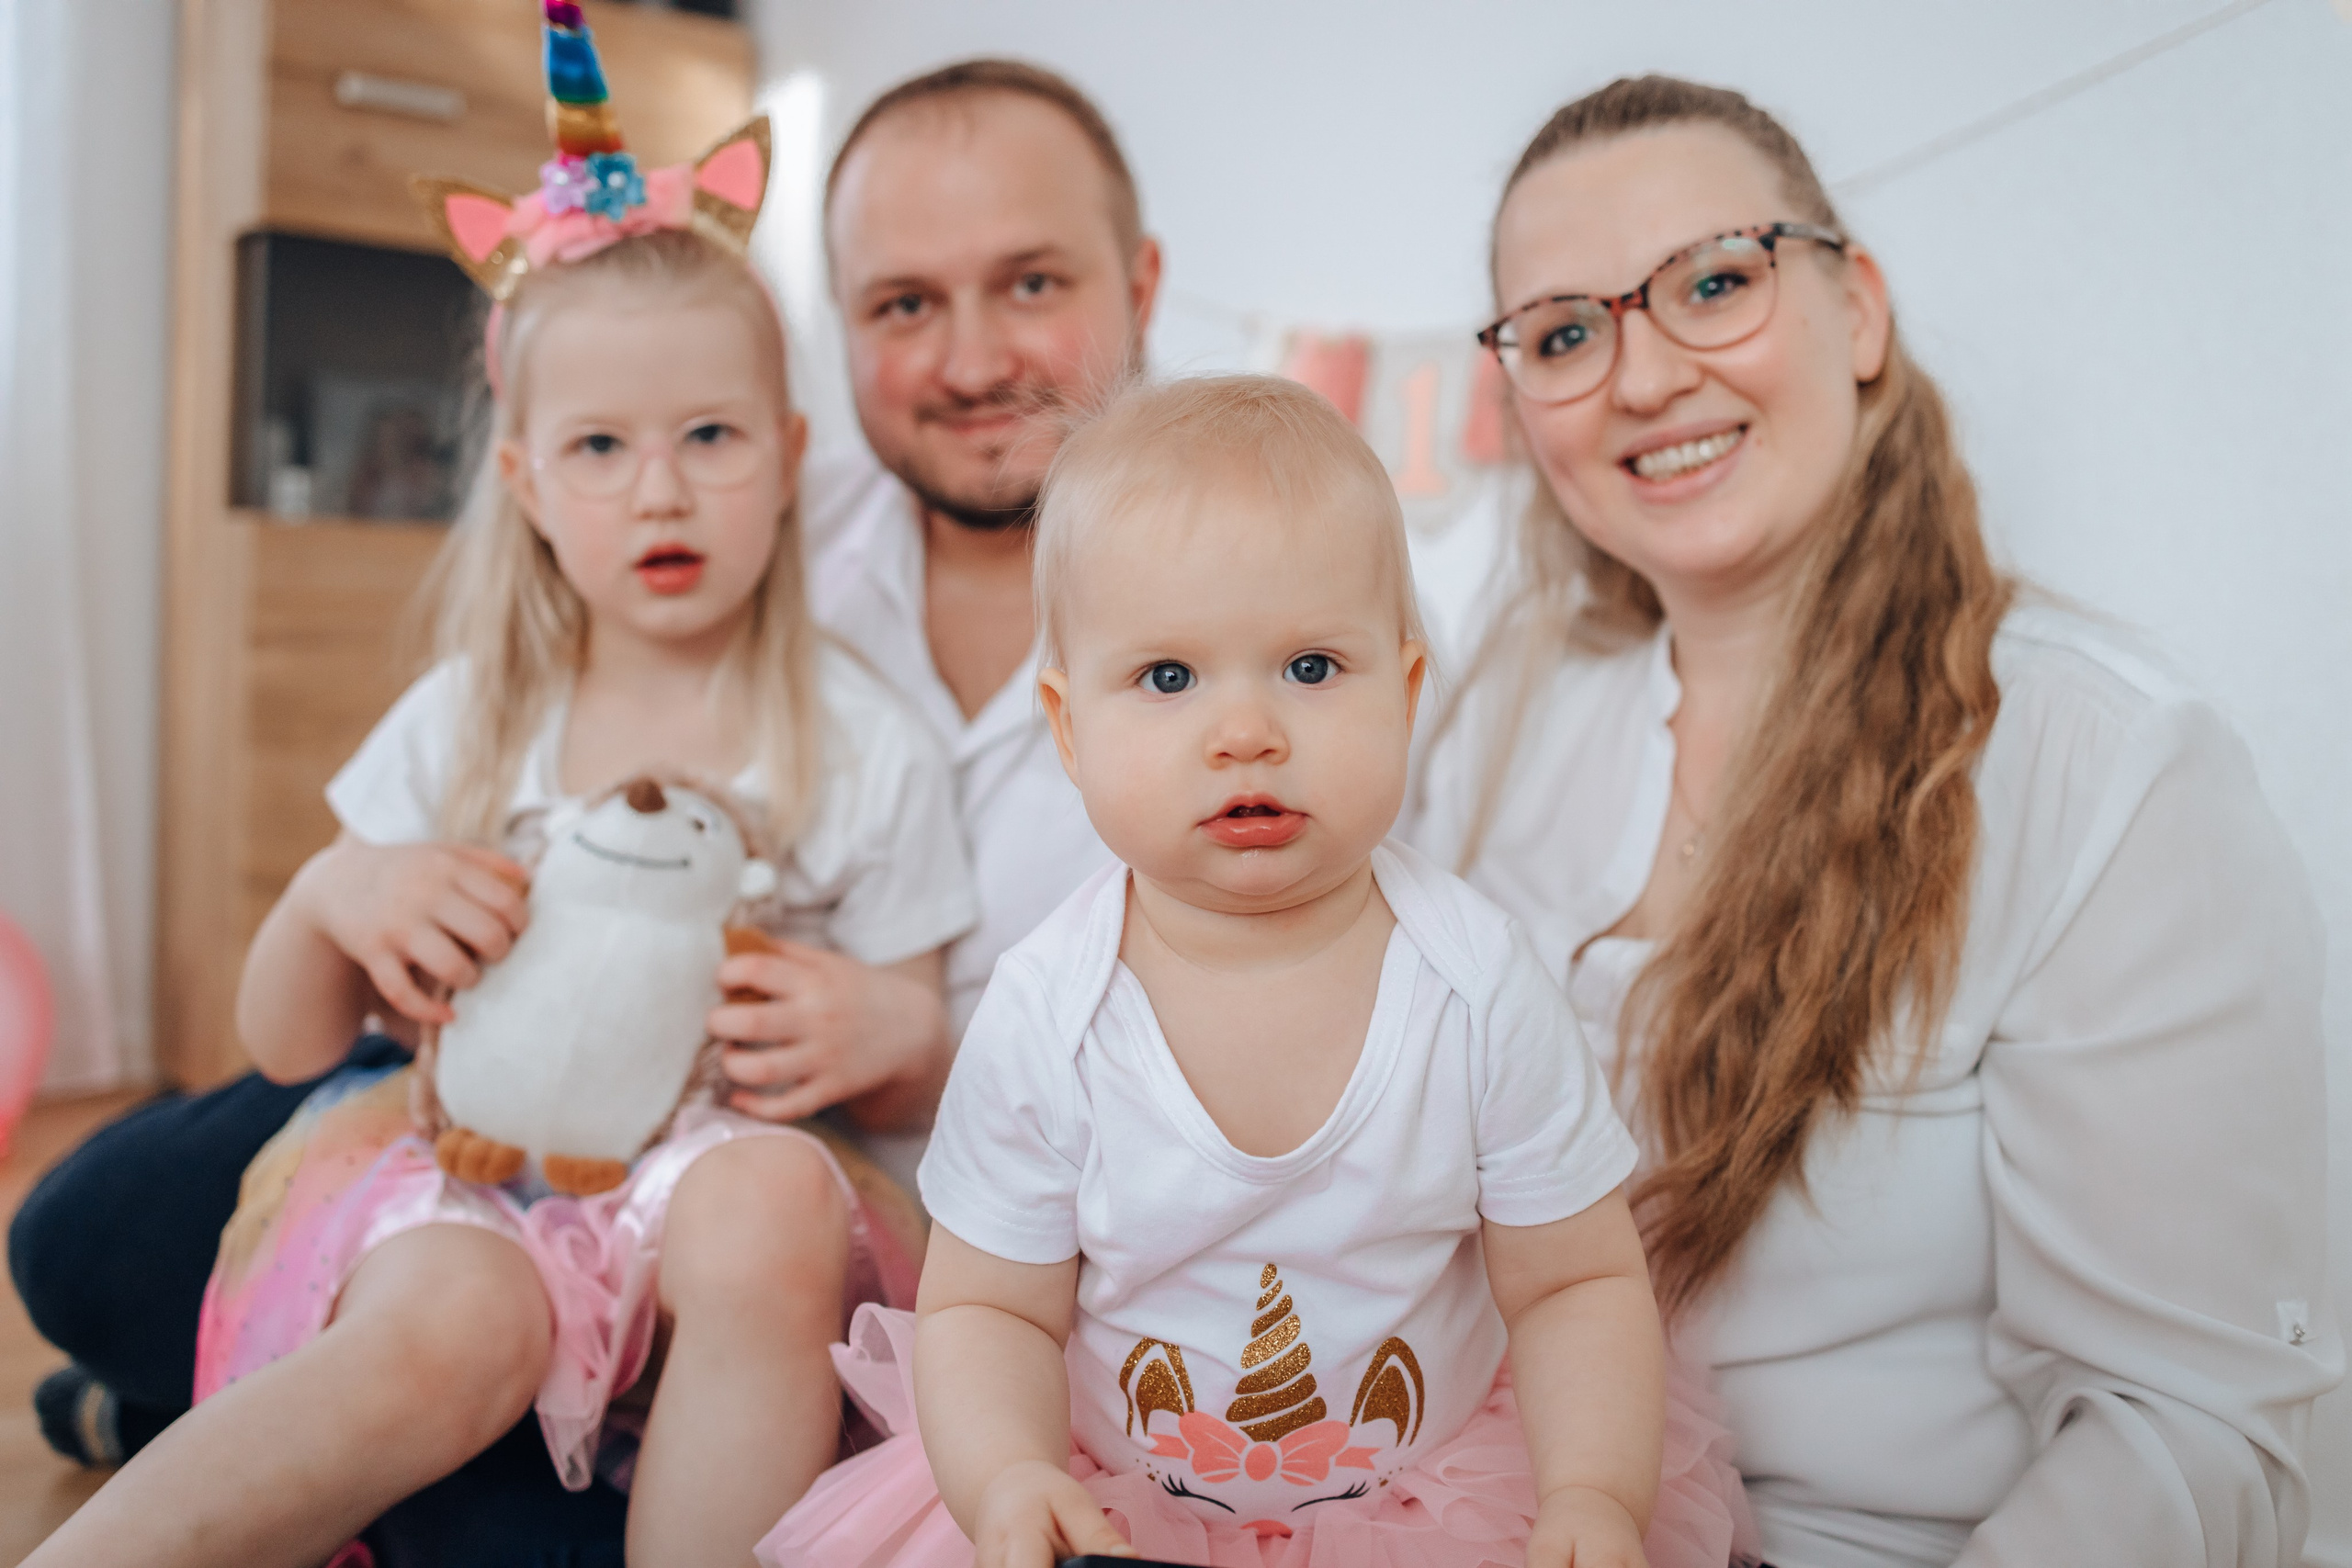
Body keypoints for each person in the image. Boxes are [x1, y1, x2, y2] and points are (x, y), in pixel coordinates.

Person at [11, 55, 1151, 1557]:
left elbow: (898, 1049)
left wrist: (890, 1031)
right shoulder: (476, 711)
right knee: (397, 1308)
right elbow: (293, 1045)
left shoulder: (853, 732)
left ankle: (230, 1431)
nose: (663, 495)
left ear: (783, 459)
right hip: (457, 1168)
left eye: (711, 441)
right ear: (530, 482)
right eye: (602, 449)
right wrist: (330, 898)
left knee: (761, 1214)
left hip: (720, 1192)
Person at [1411, 75, 2340, 1568]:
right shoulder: (1496, 728)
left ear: (1860, 318)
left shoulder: (2101, 767)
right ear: (1522, 400)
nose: (1642, 377)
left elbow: (2188, 1435)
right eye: (1568, 333)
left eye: (1716, 283)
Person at [763, 376, 1757, 1568]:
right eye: (1170, 679)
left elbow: (1574, 1284)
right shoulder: (1049, 1013)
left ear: (1404, 695)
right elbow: (989, 1308)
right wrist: (1011, 1477)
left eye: (1310, 669)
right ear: (1070, 731)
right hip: (1111, 1506)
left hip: (1434, 1498)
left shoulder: (1475, 984)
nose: (1247, 732)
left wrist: (1593, 1493)